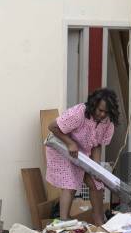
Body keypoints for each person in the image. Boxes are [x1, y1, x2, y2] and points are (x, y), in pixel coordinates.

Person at [46, 88, 119, 225]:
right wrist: (70, 143)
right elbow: (52, 127)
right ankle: (64, 222)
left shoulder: (107, 123)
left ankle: (99, 221)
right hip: (62, 147)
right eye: (99, 110)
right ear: (93, 105)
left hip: (82, 153)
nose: (102, 114)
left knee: (96, 183)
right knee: (70, 183)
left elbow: (97, 144)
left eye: (106, 112)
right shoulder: (79, 113)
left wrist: (96, 168)